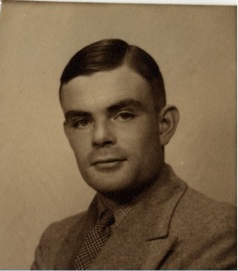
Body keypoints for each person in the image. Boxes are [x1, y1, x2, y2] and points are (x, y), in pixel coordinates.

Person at [31, 39, 236, 270]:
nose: (100, 137)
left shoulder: (220, 232)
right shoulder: (54, 241)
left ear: (164, 125)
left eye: (124, 115)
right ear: (68, 134)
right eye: (82, 122)